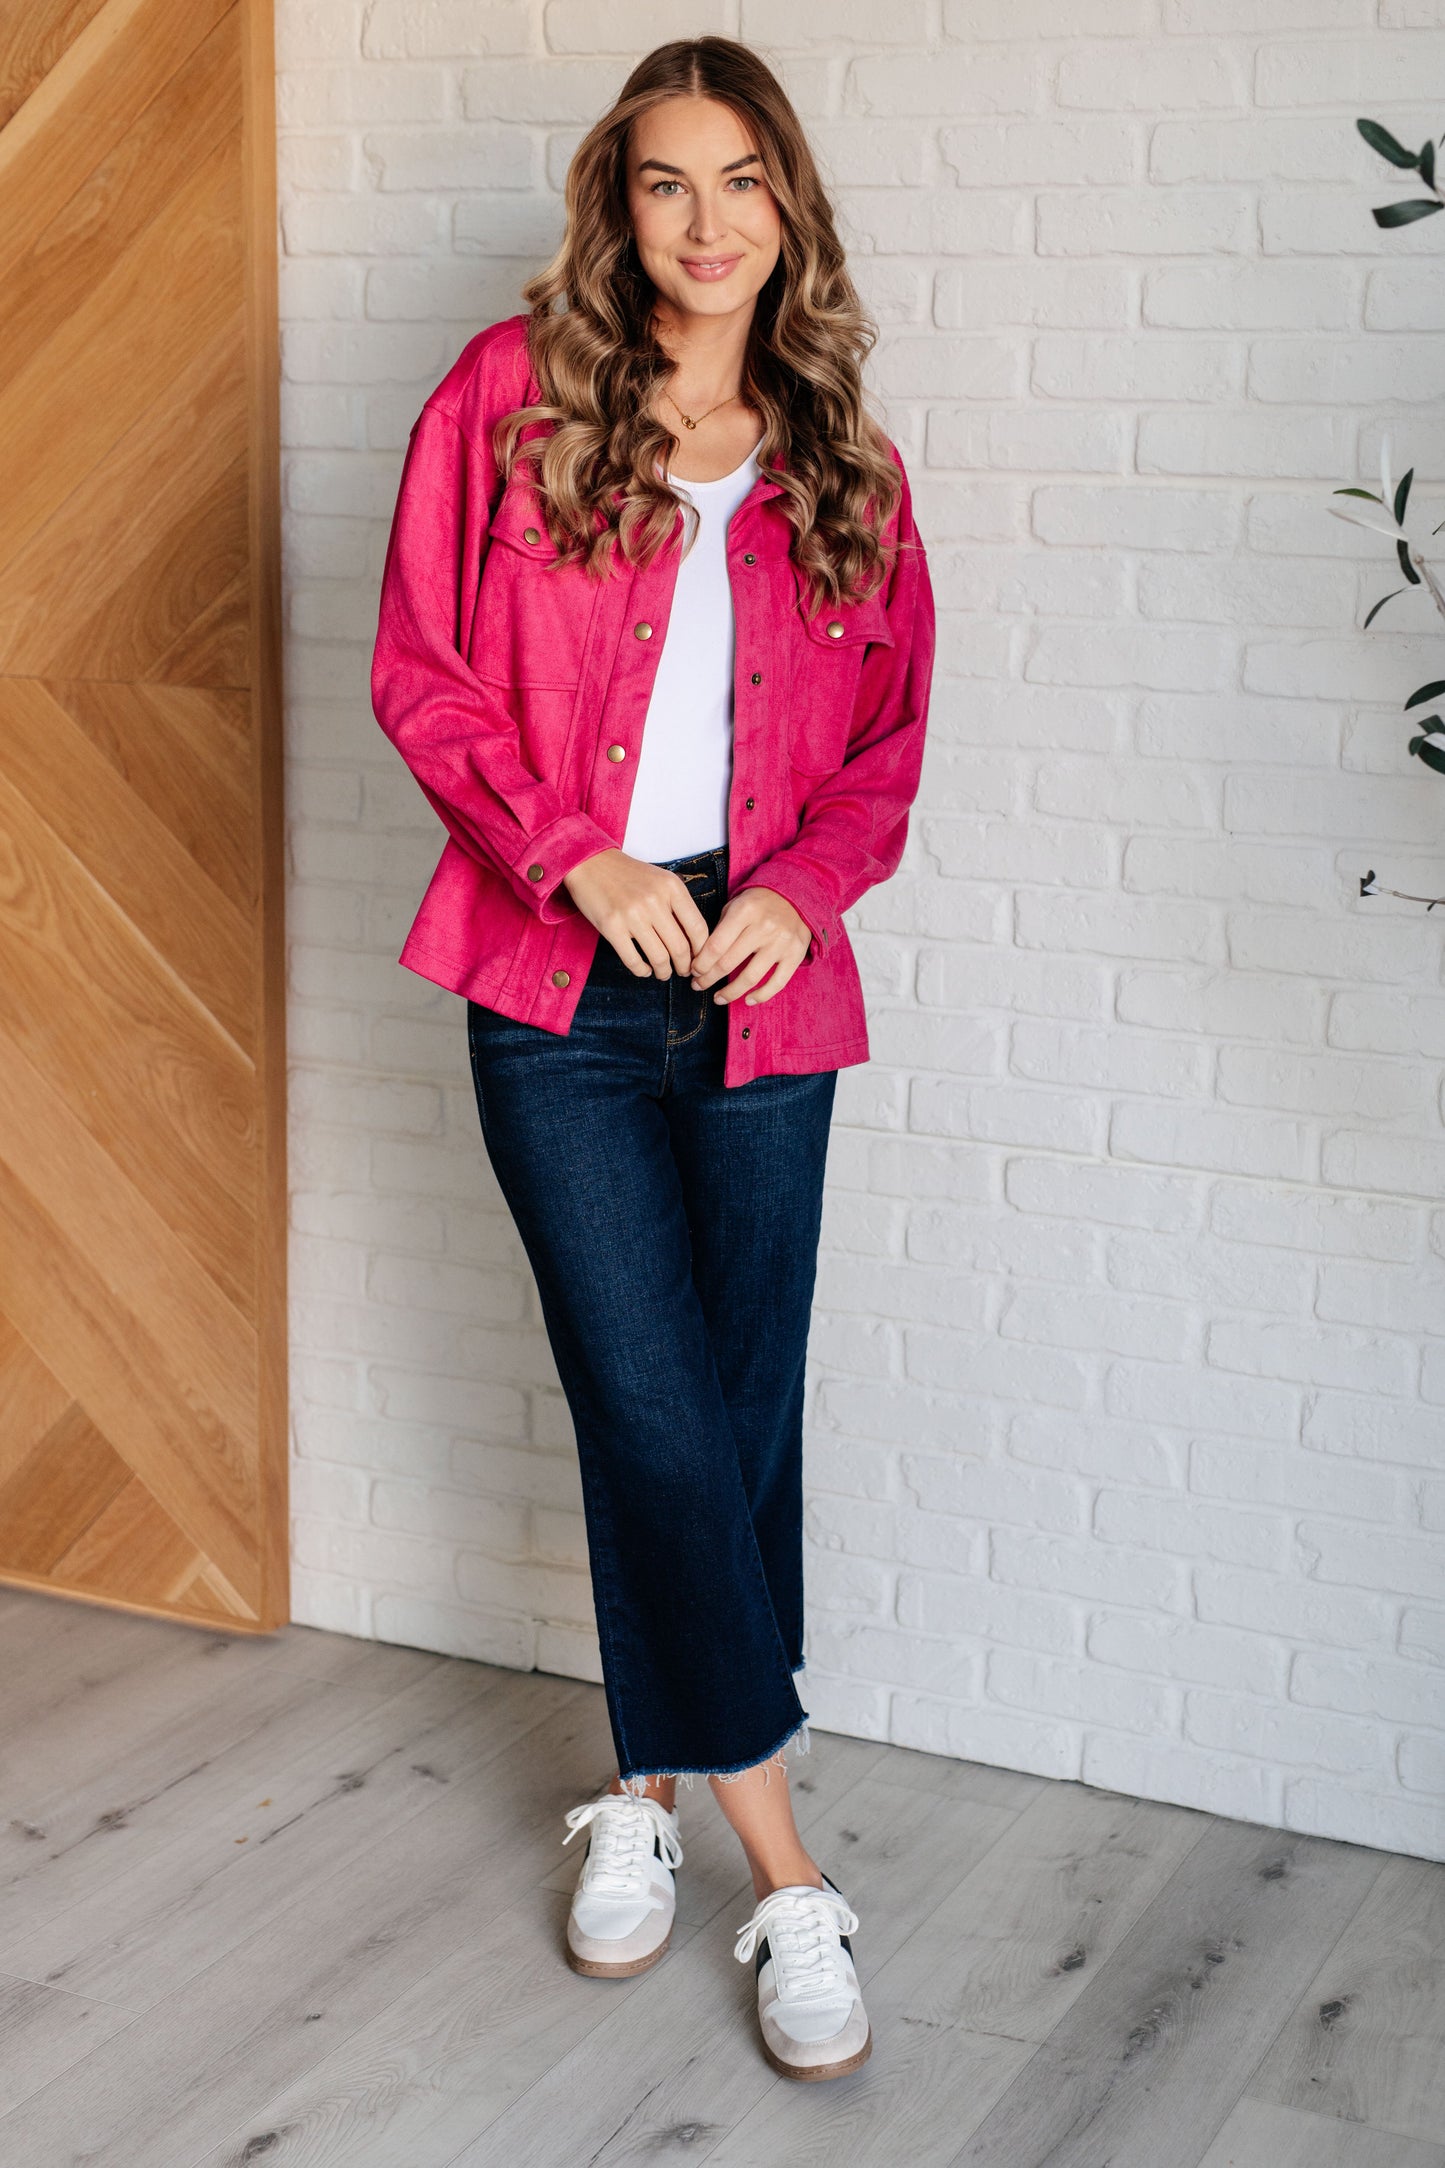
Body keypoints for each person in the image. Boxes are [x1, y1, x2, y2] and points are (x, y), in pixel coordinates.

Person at [371, 34, 935, 2082]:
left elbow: (887, 743)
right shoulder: (505, 400)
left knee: (732, 1411)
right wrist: (571, 853)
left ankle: (652, 1794)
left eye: (743, 184)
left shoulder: (840, 454)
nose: (706, 226)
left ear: (791, 207)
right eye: (665, 184)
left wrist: (811, 886)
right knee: (652, 1395)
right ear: (619, 206)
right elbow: (420, 673)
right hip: (560, 973)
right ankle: (793, 1877)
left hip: (765, 974)